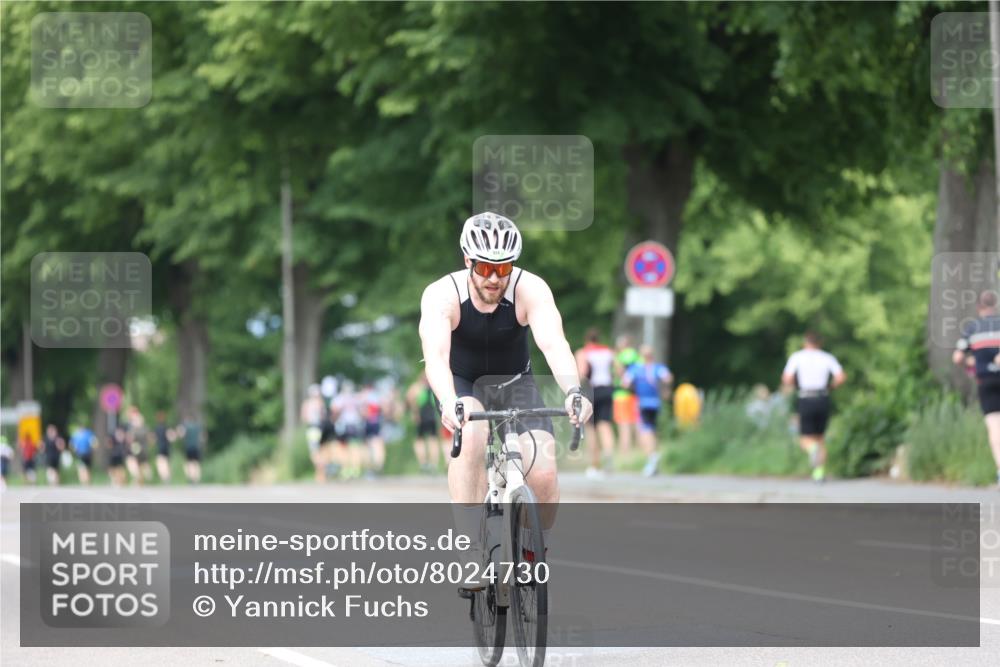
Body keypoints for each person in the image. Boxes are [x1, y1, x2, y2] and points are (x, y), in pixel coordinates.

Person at [418, 212, 593, 579]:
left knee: (543, 473)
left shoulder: (531, 288)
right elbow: (435, 358)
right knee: (473, 441)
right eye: (485, 268)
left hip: (516, 382)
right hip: (462, 383)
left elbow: (553, 343)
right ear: (468, 260)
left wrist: (573, 390)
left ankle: (533, 553)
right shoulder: (441, 295)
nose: (495, 278)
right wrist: (450, 402)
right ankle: (471, 551)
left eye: (504, 268)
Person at [781, 330, 846, 482]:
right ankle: (818, 473)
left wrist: (796, 385)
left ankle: (812, 450)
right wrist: (830, 387)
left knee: (805, 439)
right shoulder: (827, 357)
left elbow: (786, 378)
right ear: (820, 343)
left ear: (805, 342)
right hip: (823, 398)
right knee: (820, 438)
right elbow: (841, 377)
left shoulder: (797, 357)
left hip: (806, 398)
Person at [953, 290, 1000, 487]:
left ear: (979, 307)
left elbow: (957, 357)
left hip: (986, 381)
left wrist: (970, 367)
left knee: (995, 427)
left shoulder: (972, 329)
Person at [622, 344, 672, 476]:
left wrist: (633, 389)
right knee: (653, 430)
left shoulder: (636, 369)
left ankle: (652, 458)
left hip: (642, 403)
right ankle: (654, 459)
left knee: (645, 430)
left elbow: (625, 383)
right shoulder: (658, 368)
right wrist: (666, 390)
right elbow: (668, 378)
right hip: (656, 403)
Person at [575, 327, 616, 477]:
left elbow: (582, 373)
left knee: (590, 428)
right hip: (607, 389)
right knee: (605, 425)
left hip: (591, 391)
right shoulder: (609, 352)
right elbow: (618, 371)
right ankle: (609, 457)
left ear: (587, 339)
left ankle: (594, 464)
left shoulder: (583, 352)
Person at [407, 371, 444, 473]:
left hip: (421, 416)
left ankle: (423, 463)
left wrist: (414, 413)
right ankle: (433, 464)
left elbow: (409, 399)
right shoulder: (434, 387)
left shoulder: (416, 387)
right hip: (432, 417)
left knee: (420, 440)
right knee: (433, 440)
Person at [613, 335, 641, 455]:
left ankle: (625, 453)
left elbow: (620, 372)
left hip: (621, 395)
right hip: (635, 394)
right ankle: (640, 451)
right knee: (637, 423)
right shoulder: (637, 356)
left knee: (624, 425)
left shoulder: (620, 356)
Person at [301, 384, 329, 482]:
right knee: (321, 451)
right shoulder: (321, 403)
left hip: (313, 429)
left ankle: (320, 470)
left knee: (314, 452)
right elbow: (324, 417)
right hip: (321, 428)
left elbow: (304, 417)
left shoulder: (307, 403)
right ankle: (321, 473)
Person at [361, 383, 386, 477]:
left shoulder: (363, 395)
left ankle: (370, 468)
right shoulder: (377, 395)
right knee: (378, 445)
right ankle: (378, 466)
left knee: (367, 446)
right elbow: (384, 408)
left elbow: (363, 411)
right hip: (376, 422)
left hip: (367, 423)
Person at [124, 405, 151, 485]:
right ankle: (144, 479)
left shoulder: (133, 422)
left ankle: (137, 477)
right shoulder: (142, 421)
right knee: (142, 463)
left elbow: (130, 437)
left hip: (135, 446)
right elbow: (149, 436)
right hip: (144, 446)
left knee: (131, 461)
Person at [177, 415, 203, 484]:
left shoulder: (186, 427)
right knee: (196, 463)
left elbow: (181, 435)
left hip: (188, 447)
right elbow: (201, 437)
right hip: (196, 447)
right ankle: (197, 478)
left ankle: (191, 478)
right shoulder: (197, 427)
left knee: (189, 463)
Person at [153, 412, 174, 483]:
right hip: (167, 447)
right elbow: (171, 437)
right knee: (167, 463)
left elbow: (154, 439)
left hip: (160, 447)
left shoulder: (157, 428)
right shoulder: (167, 427)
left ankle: (164, 476)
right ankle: (167, 476)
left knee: (160, 463)